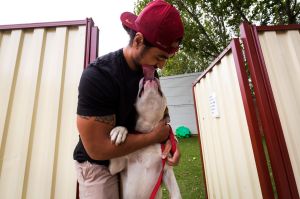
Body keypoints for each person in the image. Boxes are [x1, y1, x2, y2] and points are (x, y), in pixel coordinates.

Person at [73, 0, 184, 198]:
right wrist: (155, 137)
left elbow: (161, 116)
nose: (162, 65)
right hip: (99, 164)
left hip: (133, 155)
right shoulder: (99, 76)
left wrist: (170, 141)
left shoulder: (150, 74)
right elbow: (98, 149)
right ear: (138, 40)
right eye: (159, 56)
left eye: (166, 58)